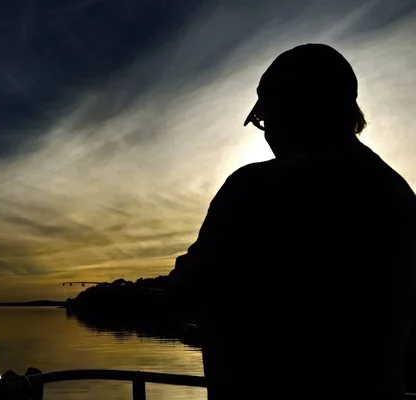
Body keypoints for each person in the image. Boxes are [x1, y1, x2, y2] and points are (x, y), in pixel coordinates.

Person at [167, 43, 416, 399]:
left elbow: (189, 292)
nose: (267, 134)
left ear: (293, 112)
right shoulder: (396, 193)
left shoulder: (253, 190)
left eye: (266, 119)